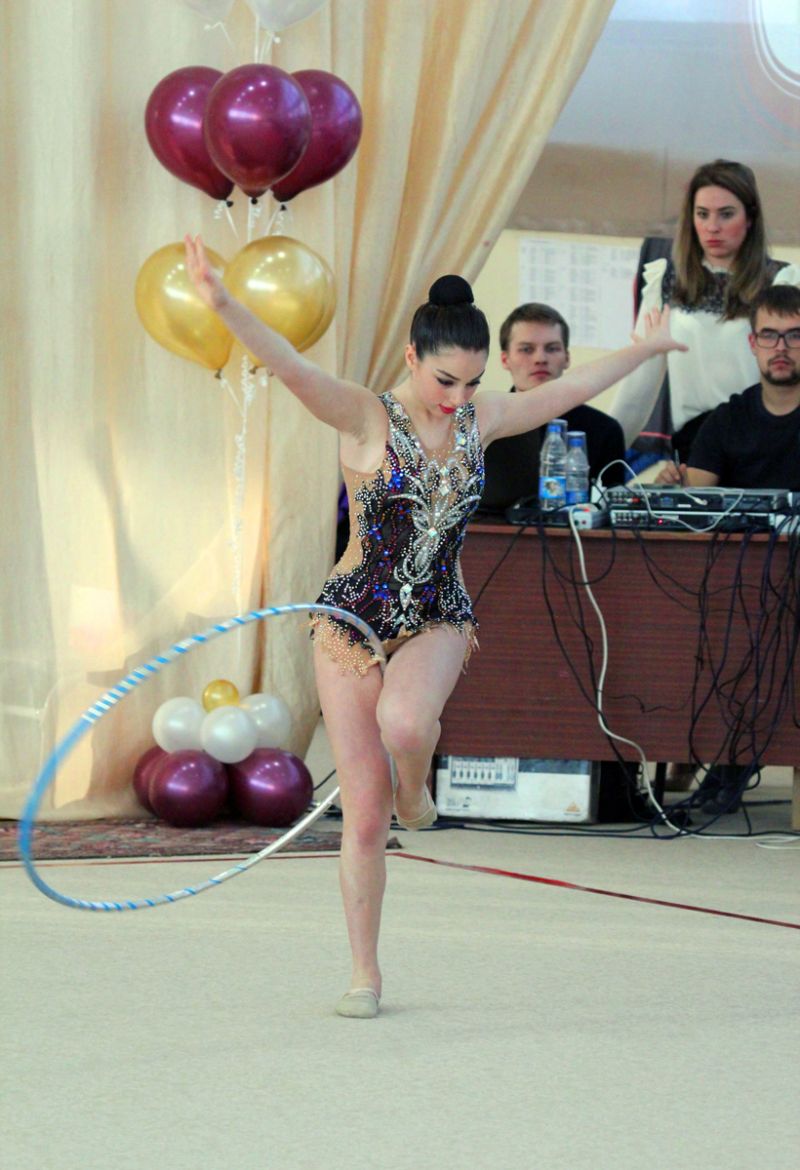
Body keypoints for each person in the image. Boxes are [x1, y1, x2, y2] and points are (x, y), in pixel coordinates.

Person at [184, 234, 686, 1018]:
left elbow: (568, 389)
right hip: (349, 620)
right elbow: (290, 366)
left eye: (474, 381)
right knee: (363, 813)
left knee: (407, 722)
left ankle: (417, 791)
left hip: (437, 614)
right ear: (413, 357)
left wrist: (644, 349)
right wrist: (223, 305)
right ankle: (365, 973)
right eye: (446, 379)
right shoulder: (365, 417)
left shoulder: (482, 418)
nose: (459, 397)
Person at [656, 284, 800, 814]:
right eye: (770, 335)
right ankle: (720, 758)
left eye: (795, 336)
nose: (781, 347)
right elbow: (698, 506)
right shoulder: (727, 419)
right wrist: (676, 488)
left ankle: (731, 765)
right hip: (737, 586)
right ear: (752, 343)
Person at [611, 159, 799, 462]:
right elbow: (639, 384)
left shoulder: (783, 280)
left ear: (750, 218)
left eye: (726, 214)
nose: (712, 227)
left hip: (766, 440)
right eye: (702, 214)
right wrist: (602, 453)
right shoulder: (665, 281)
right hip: (695, 443)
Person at [481, 303, 625, 511]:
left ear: (567, 358)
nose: (540, 359)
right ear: (505, 359)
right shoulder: (484, 424)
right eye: (526, 349)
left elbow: (611, 512)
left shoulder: (605, 430)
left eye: (552, 348)